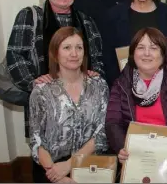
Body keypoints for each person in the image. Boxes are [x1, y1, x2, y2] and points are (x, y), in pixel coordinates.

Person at [6, 0, 105, 138]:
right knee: (46, 160)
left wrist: (94, 75)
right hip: (45, 109)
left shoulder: (86, 21)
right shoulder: (30, 17)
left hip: (82, 110)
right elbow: (15, 55)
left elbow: (97, 59)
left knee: (83, 159)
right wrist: (34, 83)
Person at [106, 28, 167, 182]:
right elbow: (113, 122)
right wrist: (121, 147)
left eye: (154, 48)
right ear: (133, 53)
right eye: (141, 48)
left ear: (163, 54)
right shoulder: (121, 83)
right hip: (134, 157)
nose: (146, 53)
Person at [29, 27, 109, 183]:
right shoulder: (42, 91)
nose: (74, 53)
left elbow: (102, 132)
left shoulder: (99, 85)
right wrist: (57, 176)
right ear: (55, 53)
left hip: (90, 165)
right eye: (67, 48)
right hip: (51, 167)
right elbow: (36, 139)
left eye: (79, 48)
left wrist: (70, 164)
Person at [101, 0, 167, 85]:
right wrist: (119, 84)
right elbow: (108, 55)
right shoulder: (114, 15)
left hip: (163, 84)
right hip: (125, 85)